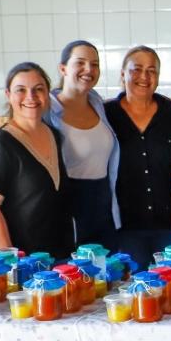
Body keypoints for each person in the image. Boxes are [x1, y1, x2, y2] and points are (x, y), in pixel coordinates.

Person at [0, 63, 75, 260]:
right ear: (8, 95)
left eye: (39, 89)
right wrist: (11, 262)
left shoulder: (54, 134)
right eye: (21, 90)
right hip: (24, 260)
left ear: (48, 93)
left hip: (58, 255)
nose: (31, 96)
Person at [104, 45, 171, 264]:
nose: (144, 76)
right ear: (123, 74)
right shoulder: (106, 115)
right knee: (133, 292)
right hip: (125, 228)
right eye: (137, 69)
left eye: (152, 70)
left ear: (158, 78)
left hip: (170, 226)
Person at [44, 40, 120, 249]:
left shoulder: (98, 103)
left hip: (104, 201)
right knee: (76, 274)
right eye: (81, 62)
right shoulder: (46, 108)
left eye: (94, 64)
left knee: (106, 272)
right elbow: (15, 128)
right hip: (70, 204)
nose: (89, 69)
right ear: (63, 68)